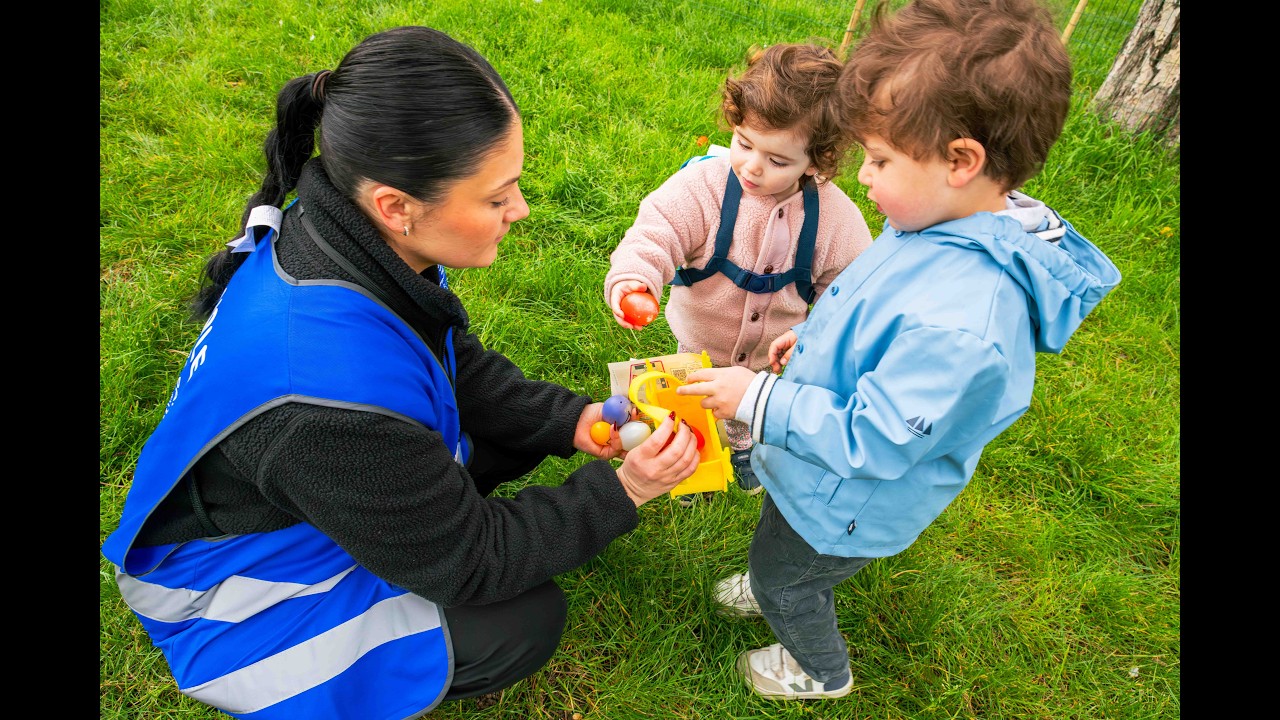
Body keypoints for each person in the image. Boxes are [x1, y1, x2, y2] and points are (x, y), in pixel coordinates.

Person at [100, 26, 702, 720]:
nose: (522, 210)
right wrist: (624, 490)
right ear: (397, 205)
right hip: (231, 596)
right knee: (521, 620)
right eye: (498, 196)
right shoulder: (326, 405)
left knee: (506, 439)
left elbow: (451, 365)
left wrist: (569, 421)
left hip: (308, 486)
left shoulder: (353, 236)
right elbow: (472, 563)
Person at [676, 0, 1122, 701]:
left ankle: (817, 669)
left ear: (960, 160)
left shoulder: (966, 320)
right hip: (812, 470)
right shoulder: (939, 220)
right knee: (780, 545)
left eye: (880, 159)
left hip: (846, 496)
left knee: (790, 574)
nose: (861, 177)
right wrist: (817, 337)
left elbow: (877, 439)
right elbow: (874, 309)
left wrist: (756, 398)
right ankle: (777, 583)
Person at [603, 42, 873, 498]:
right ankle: (692, 446)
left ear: (818, 161)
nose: (752, 165)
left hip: (773, 355)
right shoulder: (702, 188)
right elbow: (656, 233)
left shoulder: (836, 218)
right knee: (693, 399)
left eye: (778, 160)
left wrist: (817, 335)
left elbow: (850, 291)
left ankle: (746, 444)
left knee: (751, 404)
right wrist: (636, 280)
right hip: (699, 339)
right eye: (743, 143)